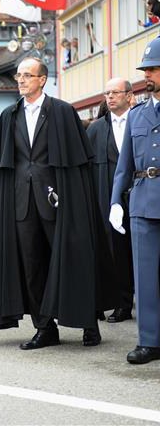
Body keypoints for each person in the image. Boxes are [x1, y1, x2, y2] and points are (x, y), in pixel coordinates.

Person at [0, 57, 118, 349]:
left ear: (42, 79)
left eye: (28, 75)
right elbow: (3, 166)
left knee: (72, 260)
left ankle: (88, 323)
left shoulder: (62, 112)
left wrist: (70, 197)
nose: (21, 80)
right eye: (18, 76)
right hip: (22, 204)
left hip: (58, 201)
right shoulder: (9, 115)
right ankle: (44, 327)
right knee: (32, 266)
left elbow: (78, 164)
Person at [110, 38, 160, 364]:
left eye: (153, 69)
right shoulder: (138, 114)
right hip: (142, 203)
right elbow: (124, 165)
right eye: (146, 70)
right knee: (144, 278)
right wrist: (116, 201)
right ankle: (150, 340)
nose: (148, 75)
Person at [87, 78, 135, 323]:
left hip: (138, 195)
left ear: (129, 95)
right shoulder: (95, 129)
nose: (110, 97)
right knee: (115, 251)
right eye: (107, 93)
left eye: (115, 92)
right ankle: (122, 303)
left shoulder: (141, 120)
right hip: (108, 198)